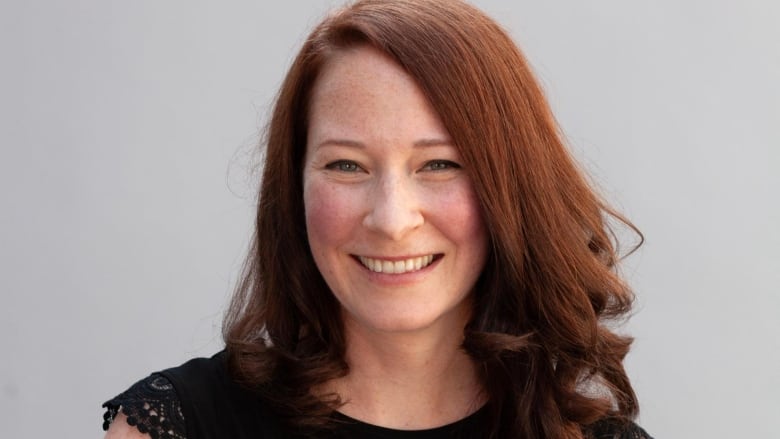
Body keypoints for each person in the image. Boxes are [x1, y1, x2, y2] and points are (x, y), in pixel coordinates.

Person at [102, 0, 653, 438]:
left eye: (440, 164)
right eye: (346, 165)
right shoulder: (171, 427)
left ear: (511, 190)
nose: (391, 219)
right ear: (293, 187)